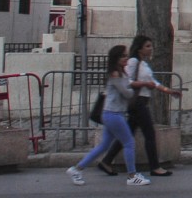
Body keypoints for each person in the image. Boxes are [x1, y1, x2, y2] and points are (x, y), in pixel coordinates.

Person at [65, 44, 153, 187]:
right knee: (129, 142)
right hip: (114, 114)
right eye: (123, 56)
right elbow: (126, 93)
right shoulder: (115, 74)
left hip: (113, 113)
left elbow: (126, 89)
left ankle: (77, 169)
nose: (126, 58)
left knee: (104, 145)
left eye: (126, 55)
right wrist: (134, 89)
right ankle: (132, 175)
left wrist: (132, 86)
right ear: (116, 58)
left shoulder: (121, 72)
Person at [97, 35, 181, 177]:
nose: (151, 49)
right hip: (137, 103)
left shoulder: (143, 64)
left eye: (151, 46)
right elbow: (126, 81)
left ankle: (107, 160)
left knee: (128, 133)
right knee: (149, 133)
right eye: (147, 46)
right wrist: (144, 84)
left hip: (141, 101)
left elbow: (153, 82)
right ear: (139, 48)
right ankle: (155, 166)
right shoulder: (133, 62)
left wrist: (169, 91)